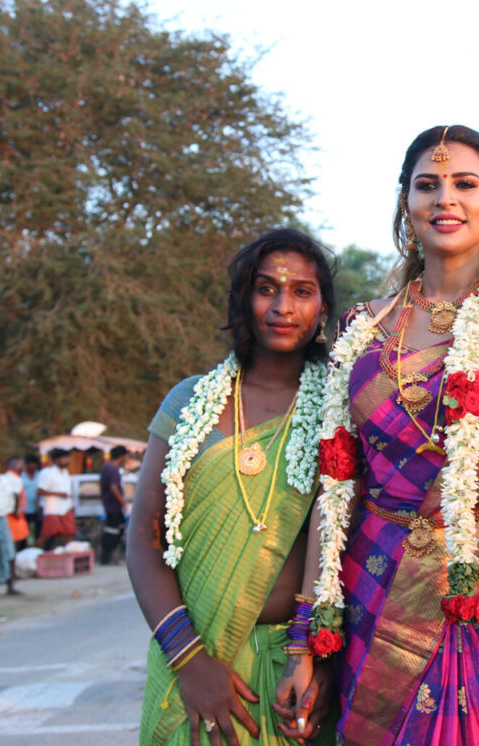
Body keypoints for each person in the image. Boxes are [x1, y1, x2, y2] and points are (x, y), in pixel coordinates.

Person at [278, 125, 479, 746]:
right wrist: (307, 637)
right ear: (405, 203)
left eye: (464, 183)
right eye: (426, 185)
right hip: (372, 594)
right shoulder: (362, 328)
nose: (444, 199)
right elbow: (335, 485)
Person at [128, 228, 335, 745]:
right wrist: (192, 664)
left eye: (302, 292)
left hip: (299, 672)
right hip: (195, 667)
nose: (282, 306)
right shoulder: (190, 401)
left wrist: (324, 661)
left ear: (324, 308)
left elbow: (349, 547)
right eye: (266, 288)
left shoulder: (342, 406)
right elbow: (143, 543)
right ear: (243, 298)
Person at [0, 457, 24, 595]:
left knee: (9, 551)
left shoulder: (6, 482)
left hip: (2, 519)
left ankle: (10, 585)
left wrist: (16, 510)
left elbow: (15, 495)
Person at [37, 448, 74, 549]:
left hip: (65, 508)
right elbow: (40, 491)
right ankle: (33, 552)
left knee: (69, 533)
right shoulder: (47, 473)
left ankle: (66, 555)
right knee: (47, 534)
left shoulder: (65, 472)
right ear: (57, 460)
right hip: (52, 509)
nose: (68, 461)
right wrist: (59, 494)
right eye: (65, 458)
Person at [100, 445, 129, 565]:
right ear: (122, 456)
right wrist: (122, 501)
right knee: (113, 531)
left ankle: (107, 555)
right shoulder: (113, 469)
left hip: (108, 504)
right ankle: (107, 556)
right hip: (114, 506)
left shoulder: (106, 468)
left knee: (117, 528)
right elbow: (113, 487)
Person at [21, 454, 41, 546]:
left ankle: (37, 548)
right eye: (29, 464)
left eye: (34, 464)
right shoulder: (21, 476)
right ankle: (23, 549)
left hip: (37, 509)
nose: (32, 466)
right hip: (25, 509)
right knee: (24, 531)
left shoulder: (40, 475)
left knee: (38, 530)